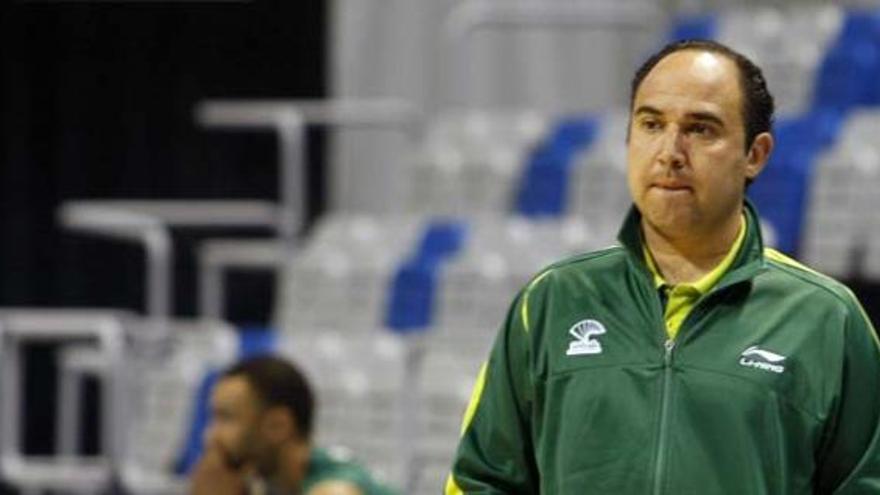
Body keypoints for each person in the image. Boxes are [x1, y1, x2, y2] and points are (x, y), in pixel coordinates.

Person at [445, 39, 880, 494]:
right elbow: (483, 481)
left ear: (755, 155)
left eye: (701, 129)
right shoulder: (553, 302)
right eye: (651, 124)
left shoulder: (825, 318)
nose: (670, 151)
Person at [189, 355, 398, 495]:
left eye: (226, 418)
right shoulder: (269, 486)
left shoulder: (337, 487)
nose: (211, 436)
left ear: (278, 425)